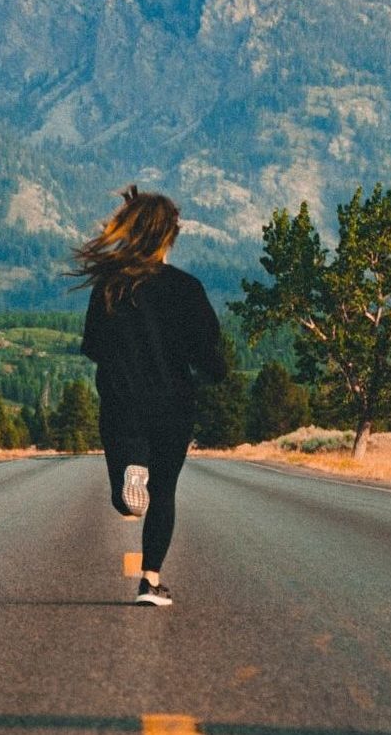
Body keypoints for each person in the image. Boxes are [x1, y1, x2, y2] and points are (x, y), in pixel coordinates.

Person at [70, 186, 226, 606]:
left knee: (127, 475)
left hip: (122, 399)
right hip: (172, 402)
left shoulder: (110, 286)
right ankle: (150, 582)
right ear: (169, 236)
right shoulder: (187, 288)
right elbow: (206, 349)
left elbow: (94, 347)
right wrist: (216, 373)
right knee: (165, 491)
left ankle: (127, 475)